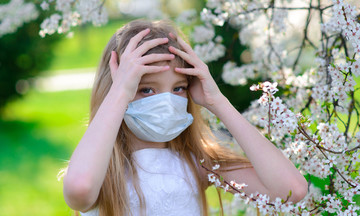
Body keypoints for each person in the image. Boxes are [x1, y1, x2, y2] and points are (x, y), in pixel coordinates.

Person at [63, 19, 308, 216]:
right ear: (116, 89)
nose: (167, 101)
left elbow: (291, 190)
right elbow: (79, 188)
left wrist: (218, 102)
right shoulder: (102, 171)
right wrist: (119, 93)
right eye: (146, 89)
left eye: (178, 88)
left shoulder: (197, 164)